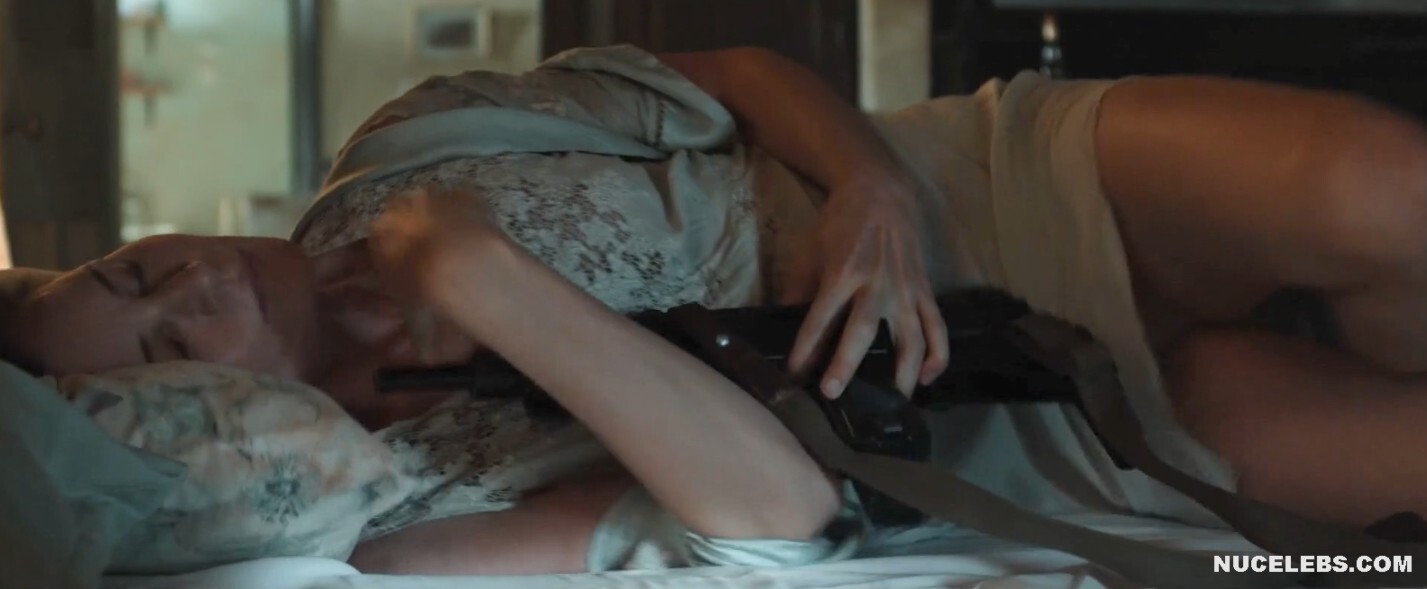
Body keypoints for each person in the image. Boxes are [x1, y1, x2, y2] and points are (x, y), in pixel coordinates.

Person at [4, 44, 1427, 575]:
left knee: (1381, 191)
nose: (193, 283)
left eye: (130, 268)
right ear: (200, 407)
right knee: (1371, 465)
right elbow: (779, 526)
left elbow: (742, 76)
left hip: (968, 192)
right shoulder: (400, 509)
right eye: (172, 342)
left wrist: (871, 185)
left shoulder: (408, 144)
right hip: (1009, 421)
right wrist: (486, 285)